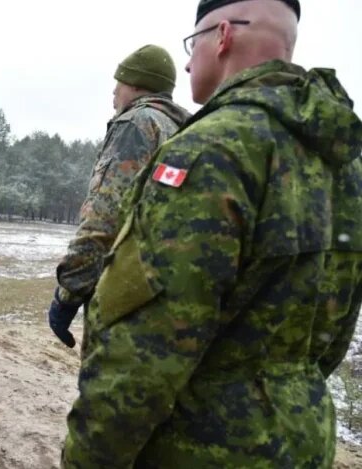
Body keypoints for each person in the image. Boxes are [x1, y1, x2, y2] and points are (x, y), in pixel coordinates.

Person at [61, 0, 362, 467]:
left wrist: (88, 459)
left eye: (192, 44)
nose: (186, 64)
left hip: (200, 445)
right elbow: (334, 332)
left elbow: (144, 355)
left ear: (222, 36)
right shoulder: (344, 163)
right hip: (302, 438)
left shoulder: (211, 151)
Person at [48, 45, 190, 348]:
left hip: (126, 298)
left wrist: (68, 293)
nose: (114, 92)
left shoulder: (136, 125)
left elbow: (105, 216)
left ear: (138, 85)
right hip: (168, 297)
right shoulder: (182, 129)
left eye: (120, 82)